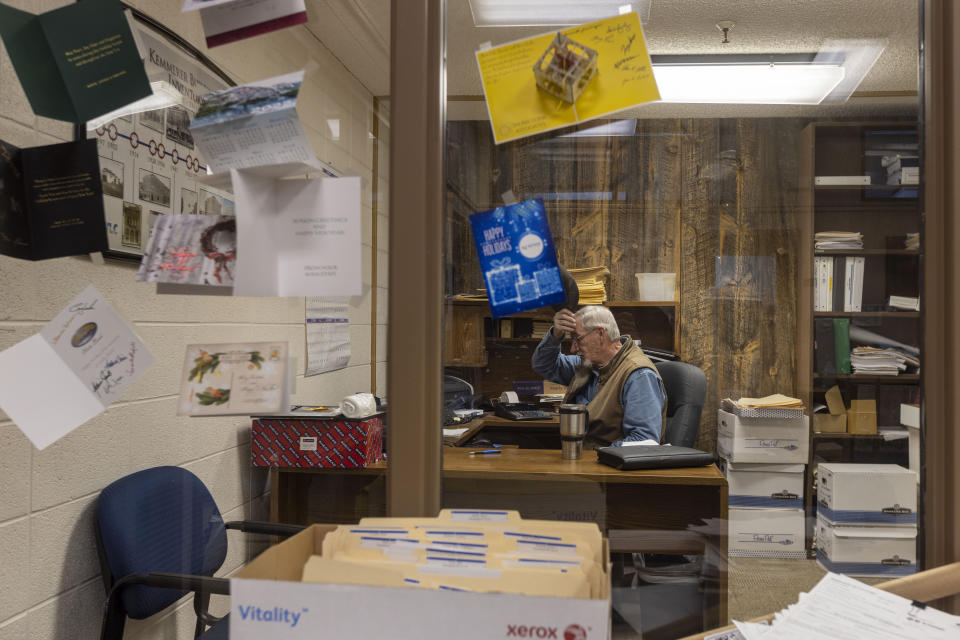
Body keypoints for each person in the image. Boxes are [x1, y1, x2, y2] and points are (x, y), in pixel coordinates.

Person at [531, 305, 666, 448]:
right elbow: (543, 365)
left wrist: (597, 455)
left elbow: (644, 442)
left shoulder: (638, 375)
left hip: (609, 466)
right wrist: (555, 335)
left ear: (601, 334)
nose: (573, 348)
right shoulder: (588, 365)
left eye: (578, 339)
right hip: (582, 458)